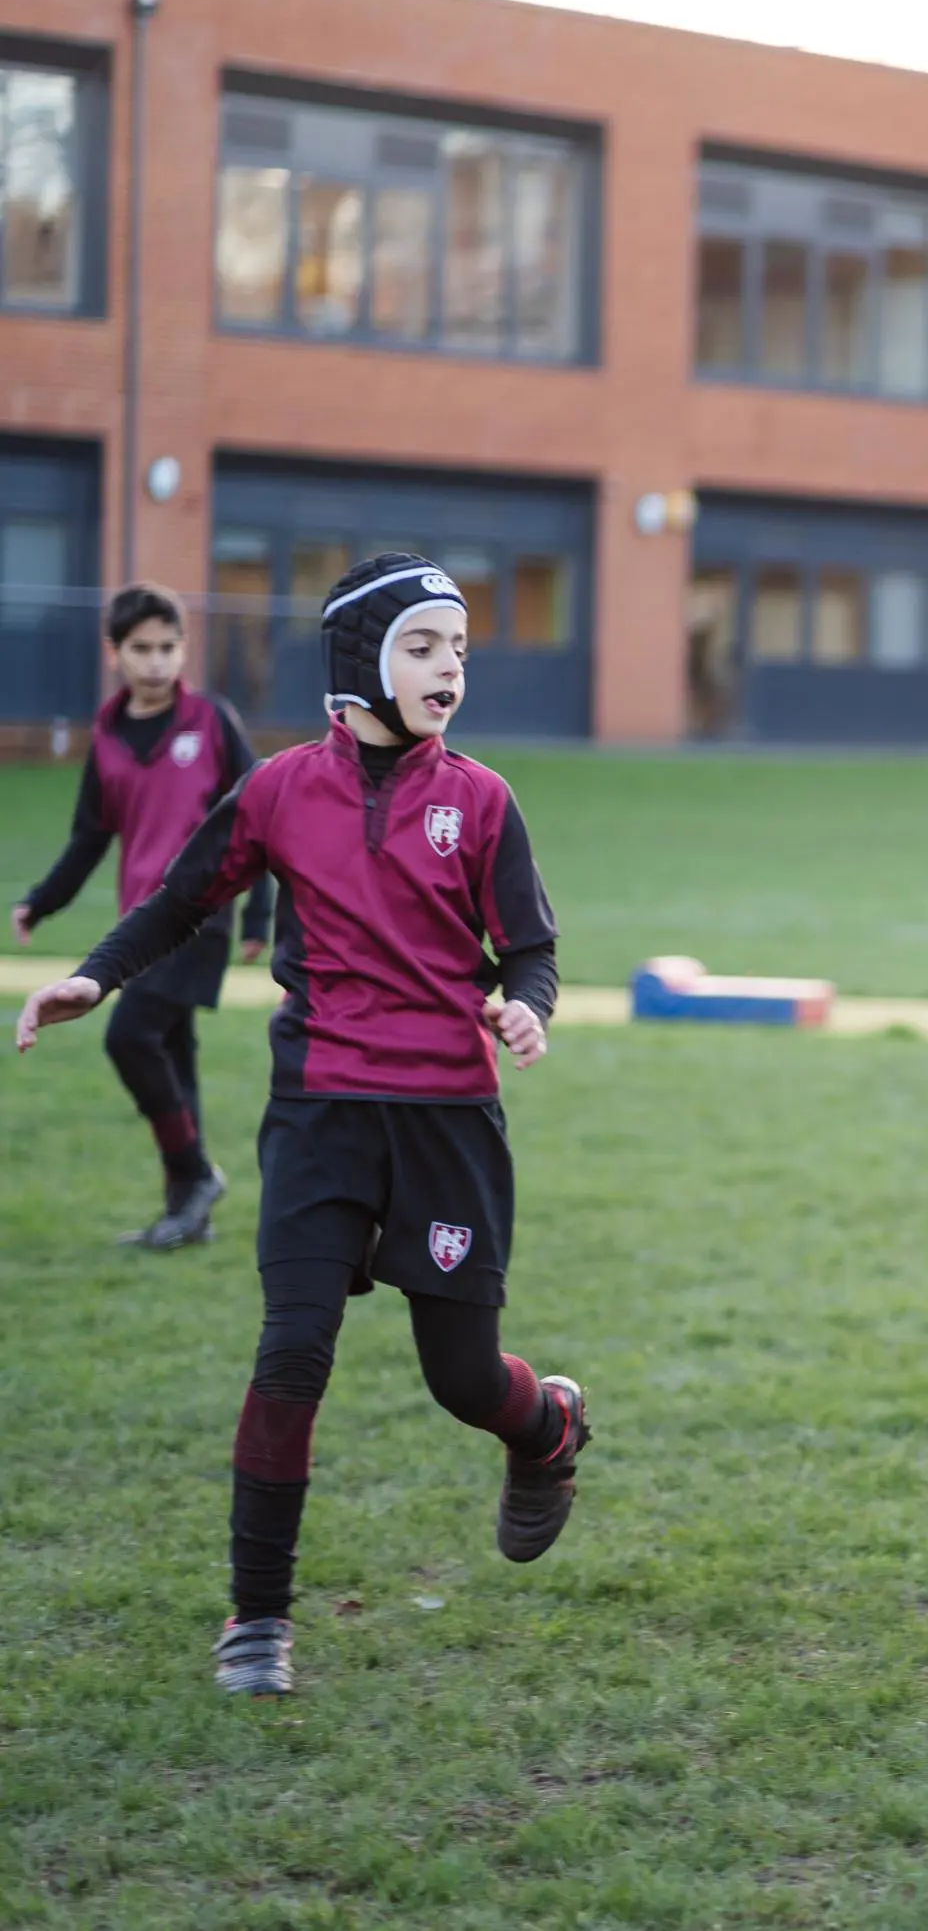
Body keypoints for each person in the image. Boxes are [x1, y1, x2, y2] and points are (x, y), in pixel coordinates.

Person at [15, 553, 582, 1700]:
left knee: (461, 1379)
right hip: (320, 1112)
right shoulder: (278, 790)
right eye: (422, 647)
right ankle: (258, 1619)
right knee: (292, 1350)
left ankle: (547, 1432)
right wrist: (94, 978)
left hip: (447, 1121)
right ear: (359, 660)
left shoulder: (480, 800)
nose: (447, 670)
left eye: (459, 651)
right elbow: (180, 896)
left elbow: (530, 946)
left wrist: (524, 1005)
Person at [13, 583, 271, 1249]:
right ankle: (189, 1213)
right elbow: (89, 837)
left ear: (183, 649)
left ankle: (193, 1176)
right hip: (142, 925)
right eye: (141, 648)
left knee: (128, 1036)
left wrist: (256, 920)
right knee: (173, 1056)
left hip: (201, 916)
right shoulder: (105, 736)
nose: (156, 661)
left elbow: (267, 816)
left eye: (168, 647)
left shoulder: (213, 721)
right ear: (115, 653)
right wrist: (42, 901)